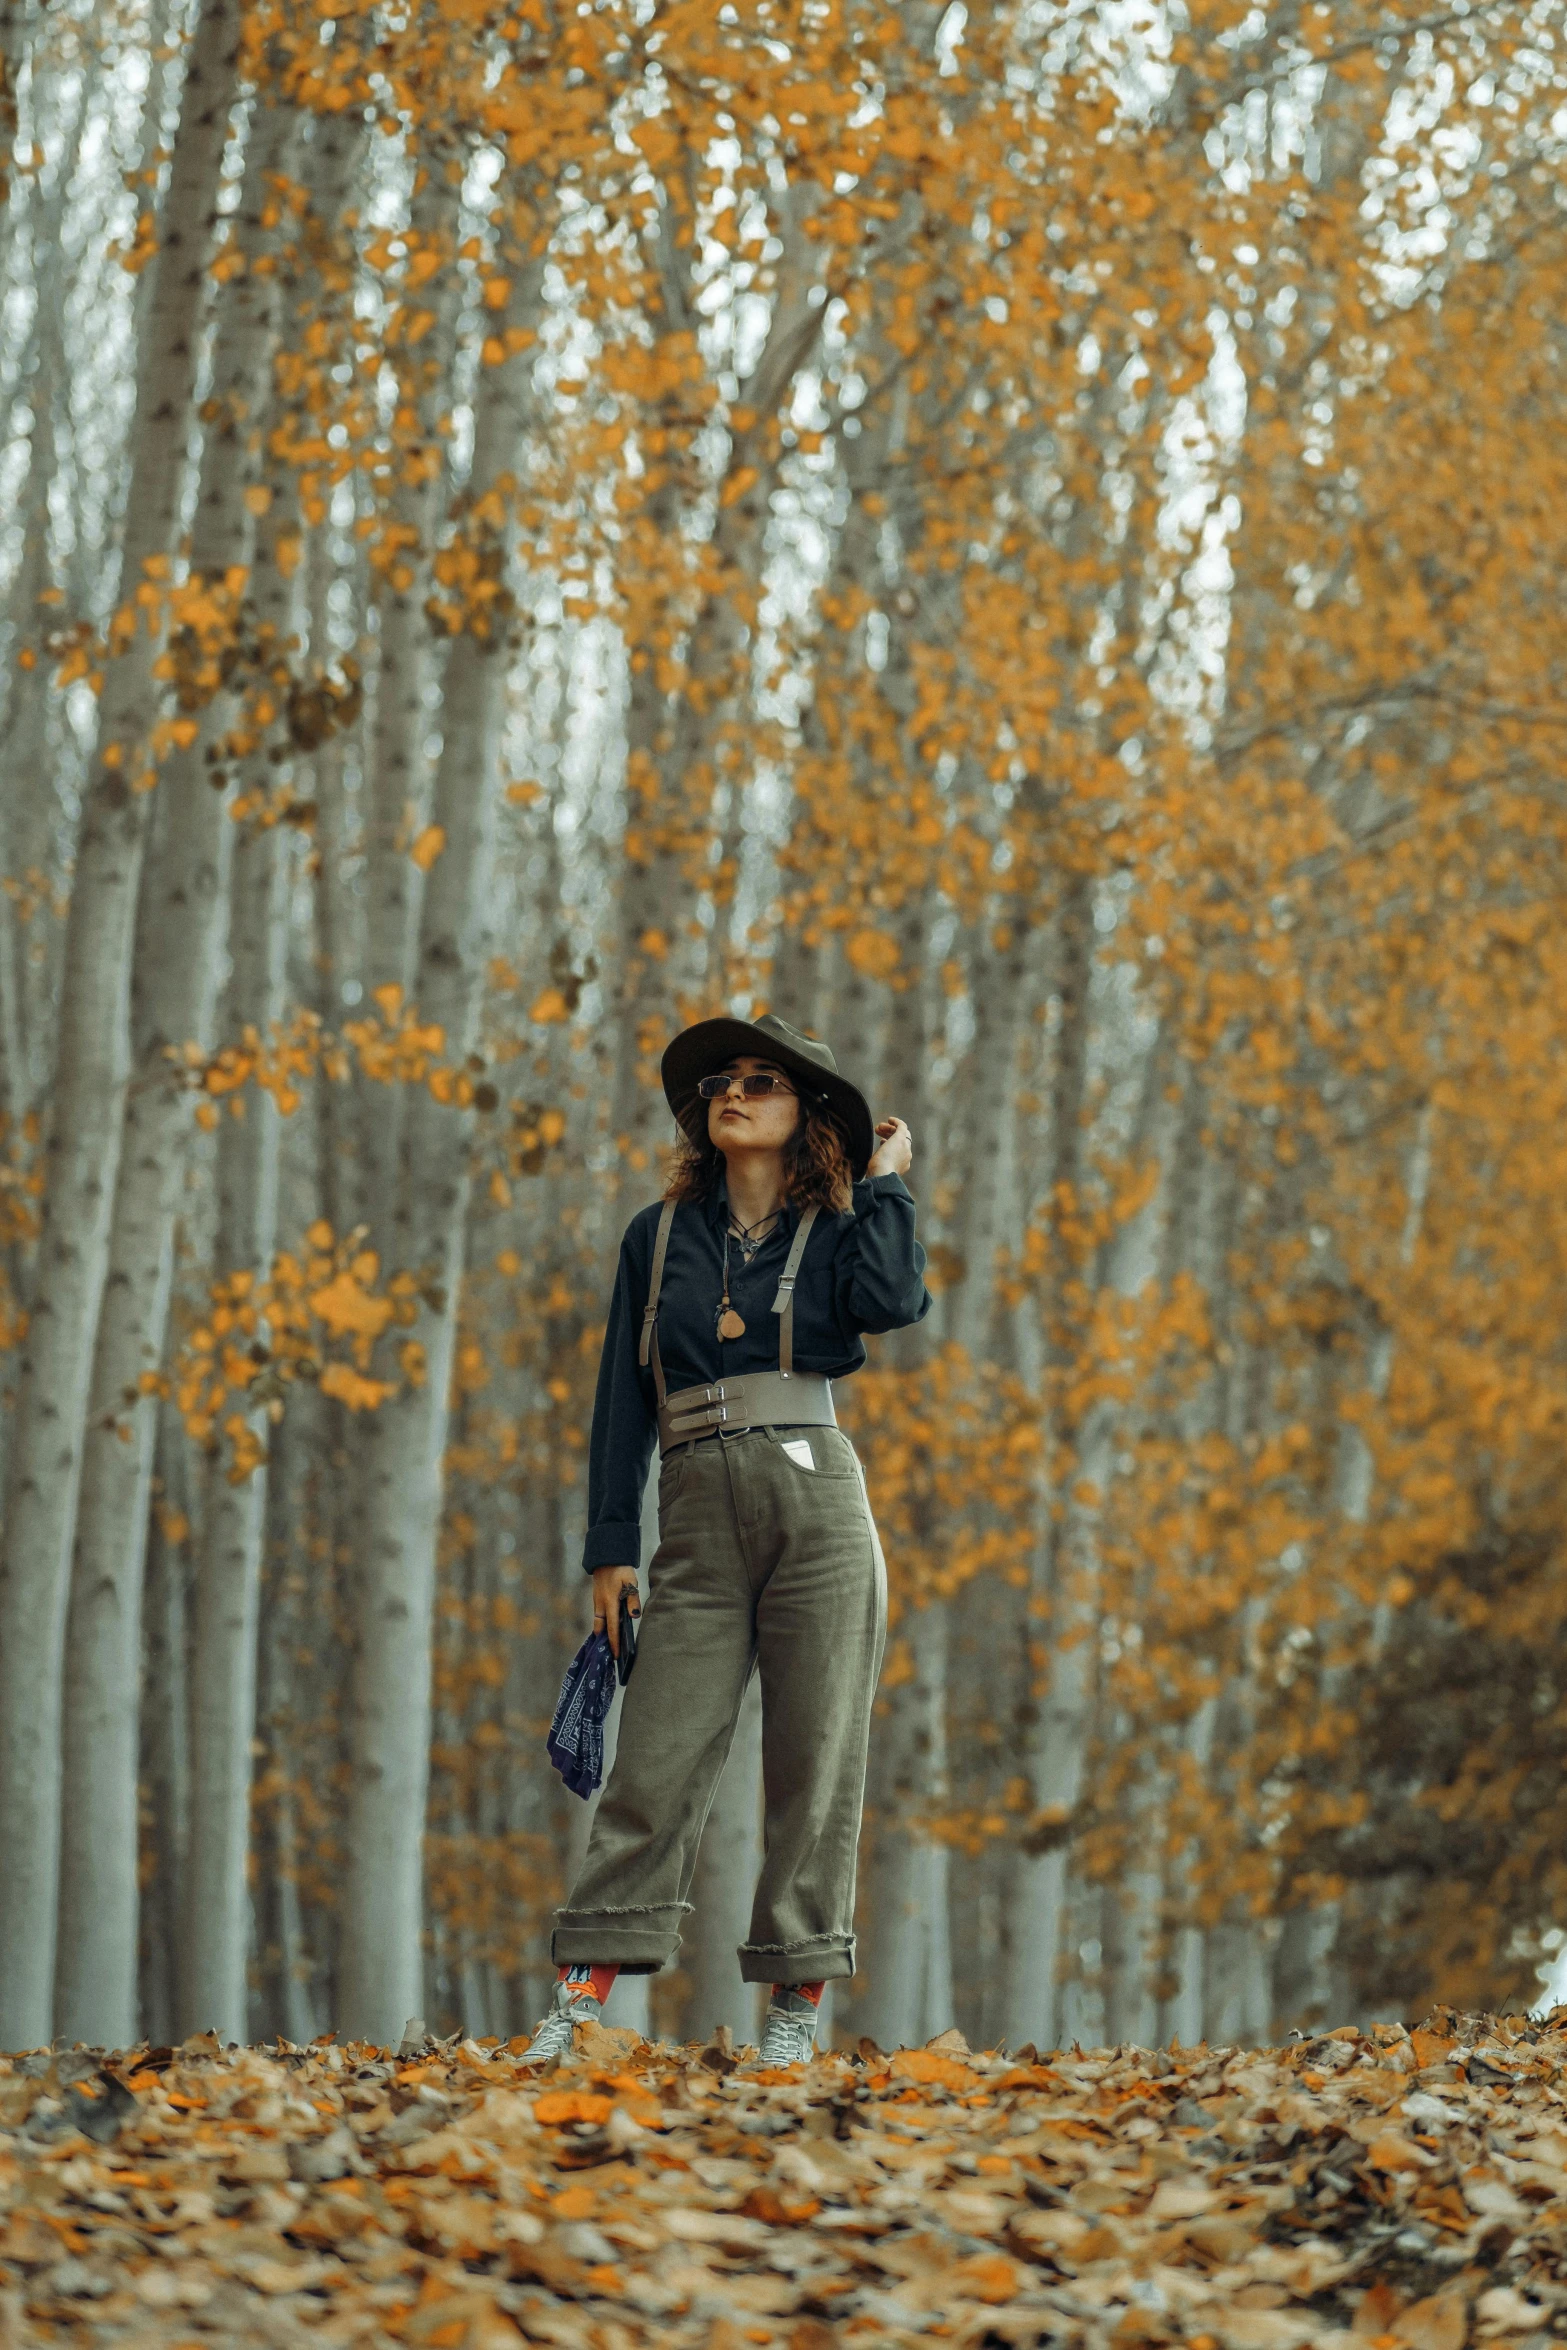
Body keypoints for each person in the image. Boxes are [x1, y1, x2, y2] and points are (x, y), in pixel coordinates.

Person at [523, 1011, 931, 2066]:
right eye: (720, 1084)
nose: (733, 1094)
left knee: (815, 1756)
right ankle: (577, 2004)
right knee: (653, 1759)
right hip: (694, 1511)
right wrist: (610, 1545)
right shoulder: (654, 1238)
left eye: (763, 1081)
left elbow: (892, 1302)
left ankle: (792, 2015)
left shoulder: (846, 1224)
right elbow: (621, 1395)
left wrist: (887, 1178)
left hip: (818, 1502)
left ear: (810, 1116)